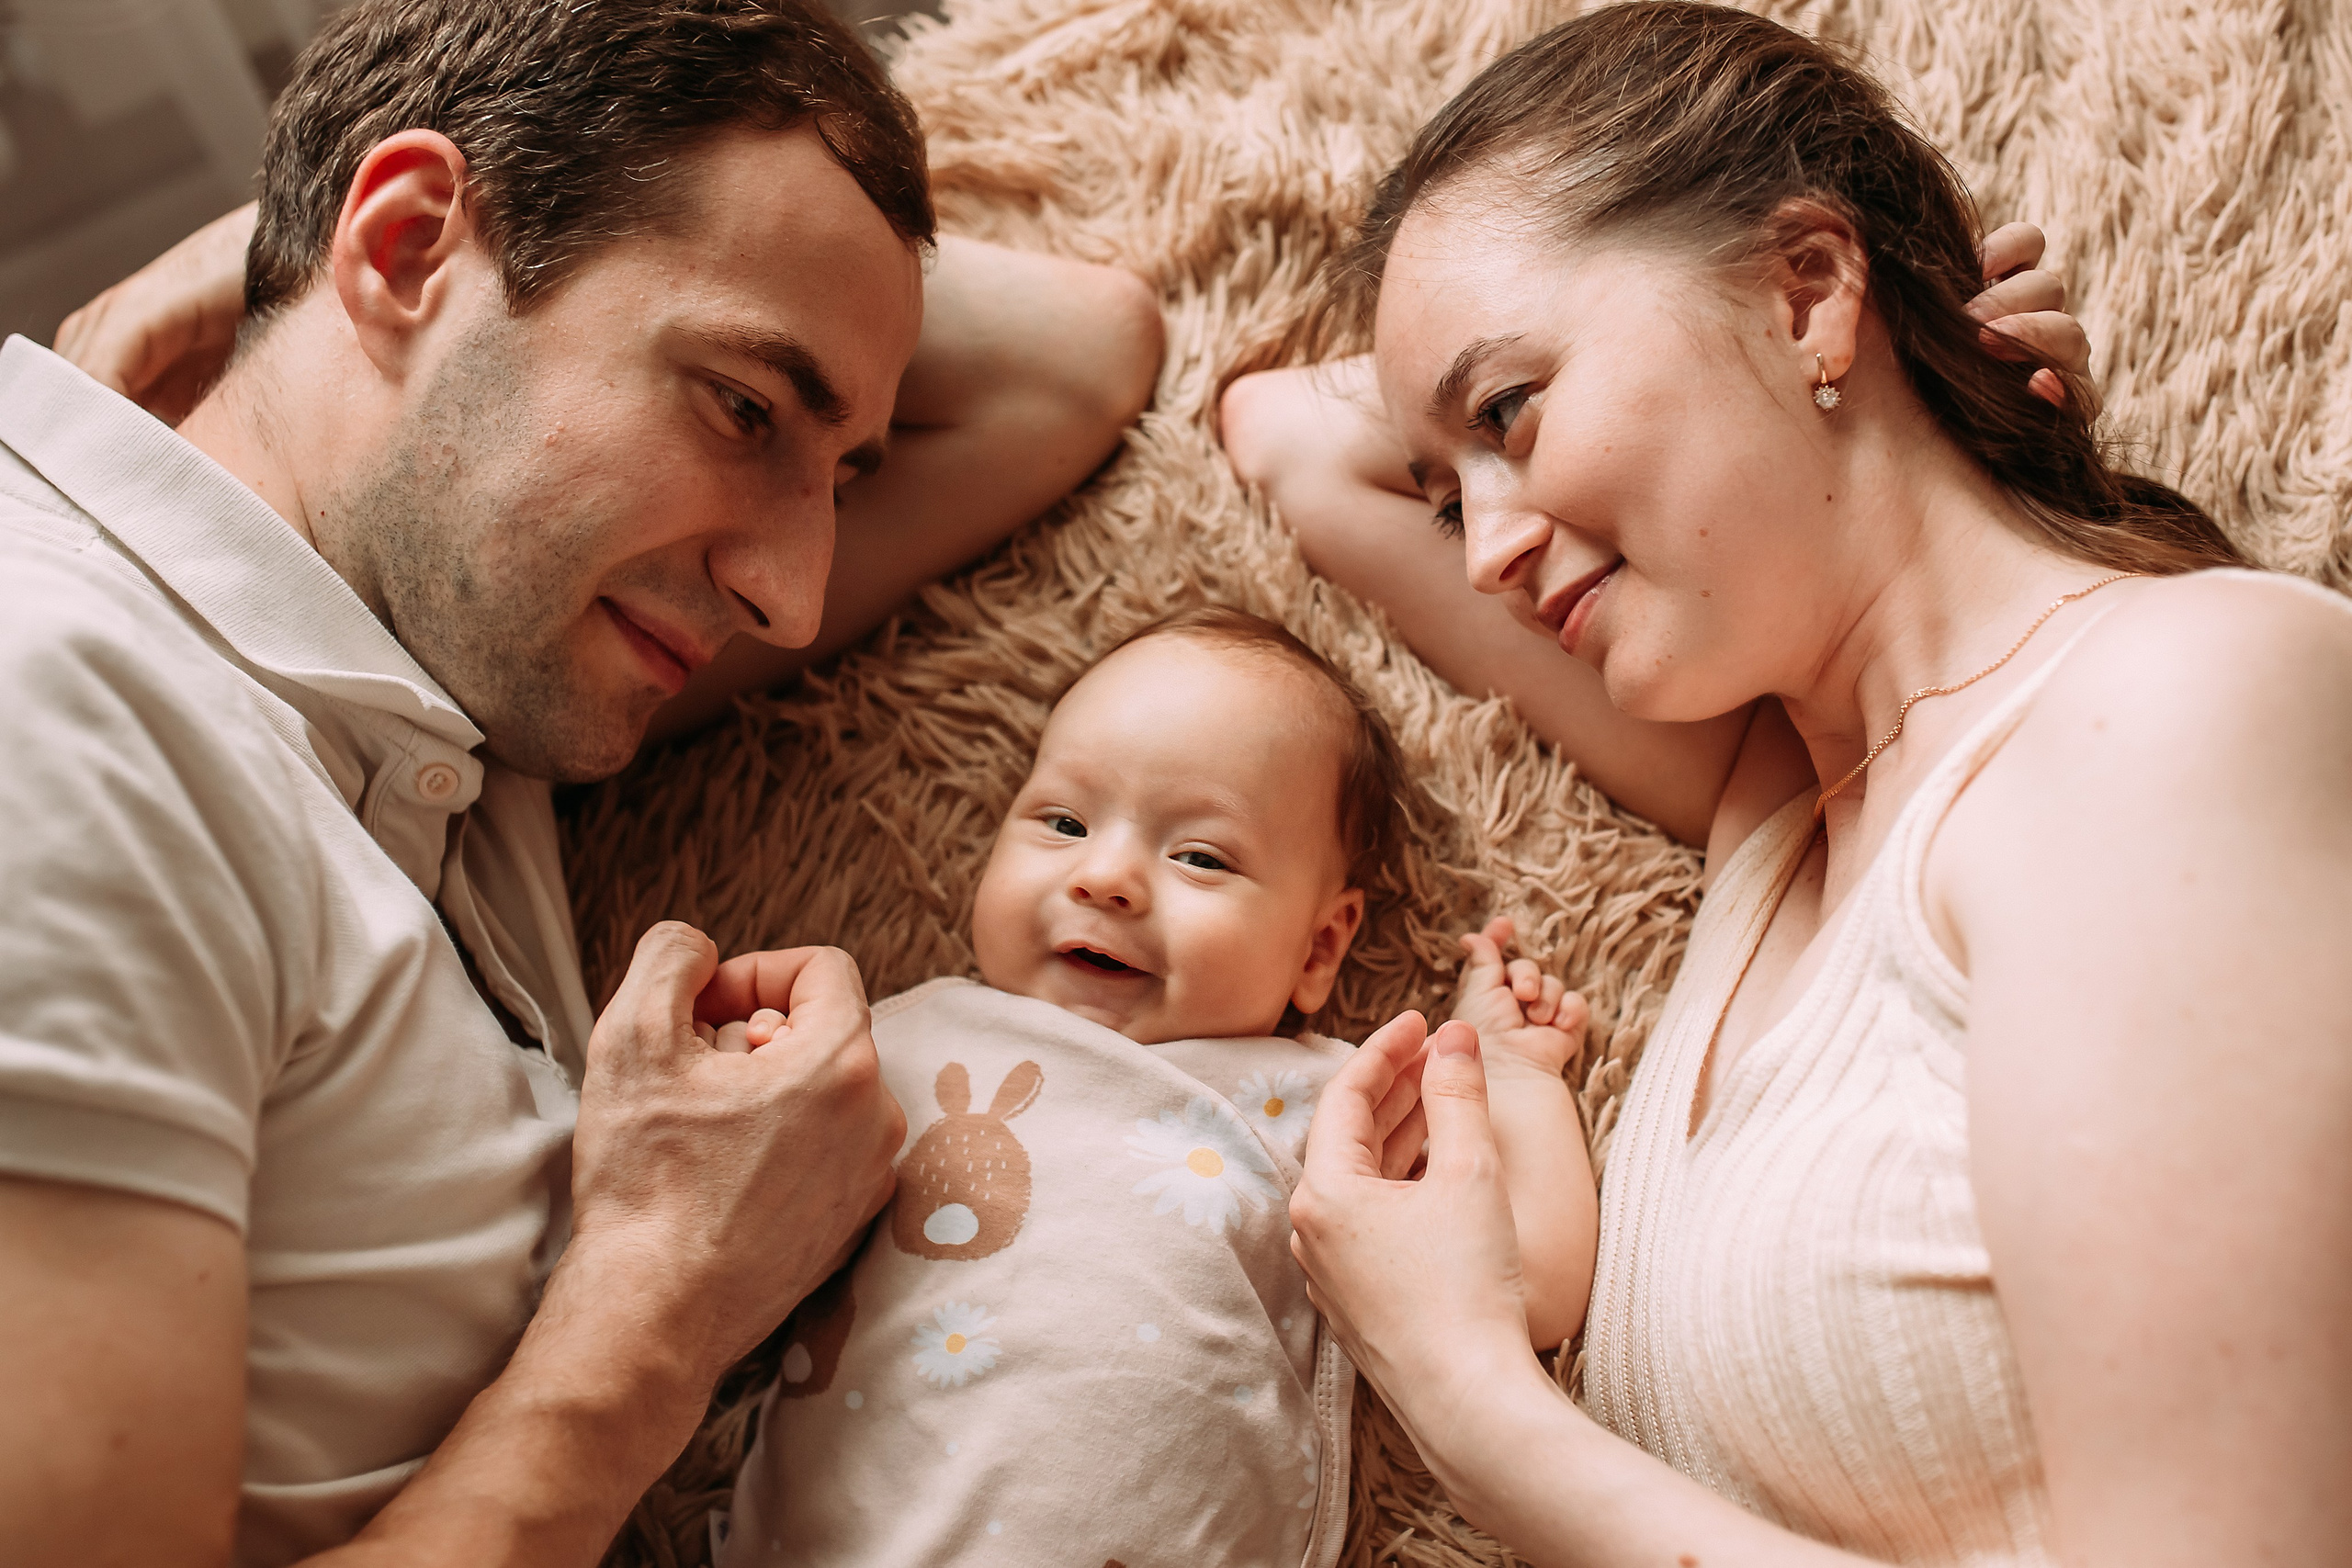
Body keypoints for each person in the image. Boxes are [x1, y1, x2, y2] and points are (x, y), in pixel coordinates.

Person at [0, 2, 1159, 1565]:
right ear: (407, 252)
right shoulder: (59, 709)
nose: (794, 596)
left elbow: (1076, 360)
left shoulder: (441, 652)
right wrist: (666, 1293)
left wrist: (272, 262)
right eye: (746, 407)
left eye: (841, 472)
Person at [1226, 5, 2352, 1565]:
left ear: (1809, 286)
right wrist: (1927, 349)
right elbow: (1289, 437)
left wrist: (1472, 1396)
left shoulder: (2166, 709)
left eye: (1510, 414)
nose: (1481, 549)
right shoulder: (1781, 799)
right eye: (1451, 489)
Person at [716, 607, 1594, 1568]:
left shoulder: (1327, 1103)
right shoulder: (899, 1038)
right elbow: (725, 1228)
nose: (1107, 877)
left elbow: (1529, 1283)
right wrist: (740, 1082)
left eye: (1200, 857)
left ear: (1319, 948)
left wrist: (1513, 1077)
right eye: (1062, 821)